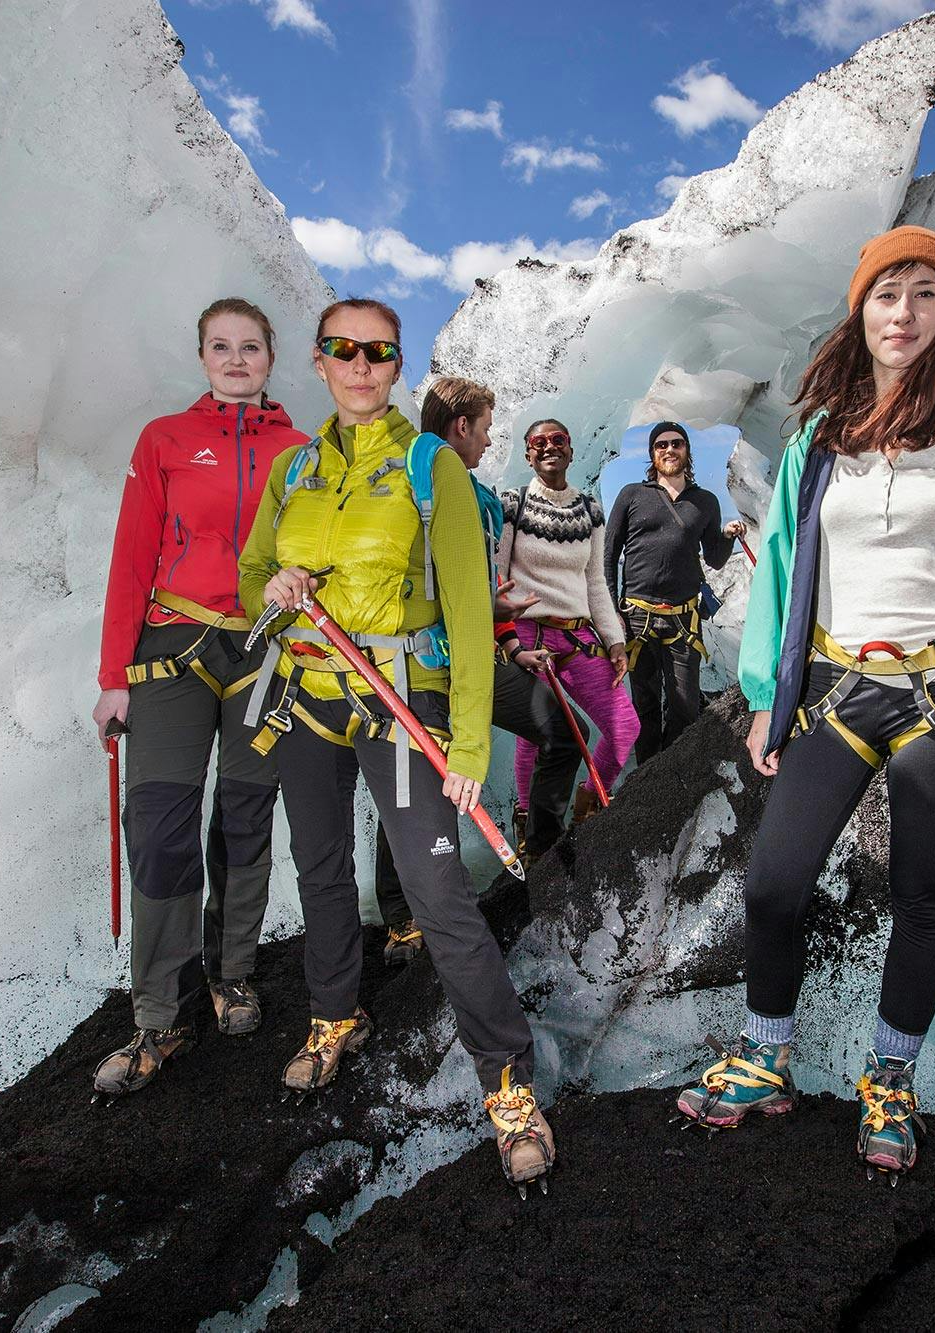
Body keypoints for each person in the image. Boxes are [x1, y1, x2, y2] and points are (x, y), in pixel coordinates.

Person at [673, 227, 935, 1178]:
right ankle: (767, 1055)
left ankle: (891, 1079)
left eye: (925, 294)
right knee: (773, 884)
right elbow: (782, 577)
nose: (905, 313)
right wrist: (769, 694)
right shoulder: (818, 441)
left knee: (922, 896)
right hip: (838, 689)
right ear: (862, 310)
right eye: (888, 294)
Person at [239, 299, 554, 1191]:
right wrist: (279, 581)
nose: (362, 364)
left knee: (435, 884)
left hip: (397, 698)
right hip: (308, 693)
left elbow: (466, 604)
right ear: (321, 359)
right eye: (345, 349)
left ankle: (506, 1078)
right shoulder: (296, 469)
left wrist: (467, 745)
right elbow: (252, 573)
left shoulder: (429, 467)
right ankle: (336, 1011)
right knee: (324, 866)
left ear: (396, 364)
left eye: (379, 351)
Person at [89, 297, 307, 1097]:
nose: (237, 358)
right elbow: (132, 554)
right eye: (222, 346)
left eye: (251, 346)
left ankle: (234, 974)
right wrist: (113, 676)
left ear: (271, 356)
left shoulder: (300, 450)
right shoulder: (167, 441)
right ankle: (157, 1011)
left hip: (262, 651)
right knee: (160, 826)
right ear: (204, 356)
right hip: (172, 649)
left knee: (246, 817)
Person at [372, 378, 581, 966]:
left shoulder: (482, 499)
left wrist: (511, 641)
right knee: (412, 785)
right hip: (431, 662)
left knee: (563, 733)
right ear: (461, 425)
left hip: (482, 661)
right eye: (485, 428)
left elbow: (481, 591)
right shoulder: (413, 481)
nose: (490, 441)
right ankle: (399, 916)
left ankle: (538, 850)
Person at [498, 421, 639, 820]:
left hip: (578, 638)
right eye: (538, 442)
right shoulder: (514, 503)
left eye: (558, 439)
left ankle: (588, 803)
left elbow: (595, 580)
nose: (548, 447)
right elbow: (498, 572)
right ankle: (528, 819)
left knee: (624, 727)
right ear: (527, 454)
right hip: (527, 633)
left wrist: (613, 640)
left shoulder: (590, 510)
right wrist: (505, 638)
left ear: (571, 451)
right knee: (537, 736)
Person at [605, 421, 747, 761]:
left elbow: (714, 559)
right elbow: (608, 555)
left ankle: (668, 772)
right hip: (637, 618)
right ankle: (645, 780)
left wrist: (727, 537)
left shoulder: (705, 502)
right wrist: (612, 612)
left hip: (684, 619)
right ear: (653, 454)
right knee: (646, 704)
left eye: (677, 444)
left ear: (687, 451)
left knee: (684, 707)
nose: (669, 450)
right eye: (662, 445)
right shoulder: (632, 496)